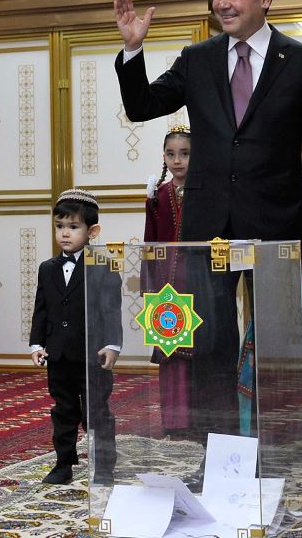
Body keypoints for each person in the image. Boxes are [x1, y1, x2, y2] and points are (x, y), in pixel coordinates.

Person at [114, 0, 302, 430]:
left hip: (274, 224)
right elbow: (142, 106)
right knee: (211, 342)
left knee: (278, 342)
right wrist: (133, 51)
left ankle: (277, 444)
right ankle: (217, 450)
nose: (223, 3)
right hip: (207, 228)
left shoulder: (300, 62)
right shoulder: (198, 59)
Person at [30, 188, 123, 486]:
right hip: (59, 355)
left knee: (97, 411)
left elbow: (111, 309)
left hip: (92, 354)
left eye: (73, 227)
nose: (65, 234)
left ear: (92, 230)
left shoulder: (104, 266)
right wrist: (37, 344)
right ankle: (63, 462)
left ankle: (105, 464)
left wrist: (112, 345)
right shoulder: (48, 269)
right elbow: (41, 310)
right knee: (63, 410)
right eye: (60, 227)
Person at [141, 126, 191, 436]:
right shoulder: (157, 196)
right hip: (165, 284)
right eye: (171, 154)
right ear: (164, 157)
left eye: (184, 153)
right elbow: (149, 243)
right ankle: (174, 420)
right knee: (170, 348)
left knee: (196, 351)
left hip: (196, 282)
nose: (177, 161)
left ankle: (197, 417)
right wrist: (150, 287)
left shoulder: (205, 192)